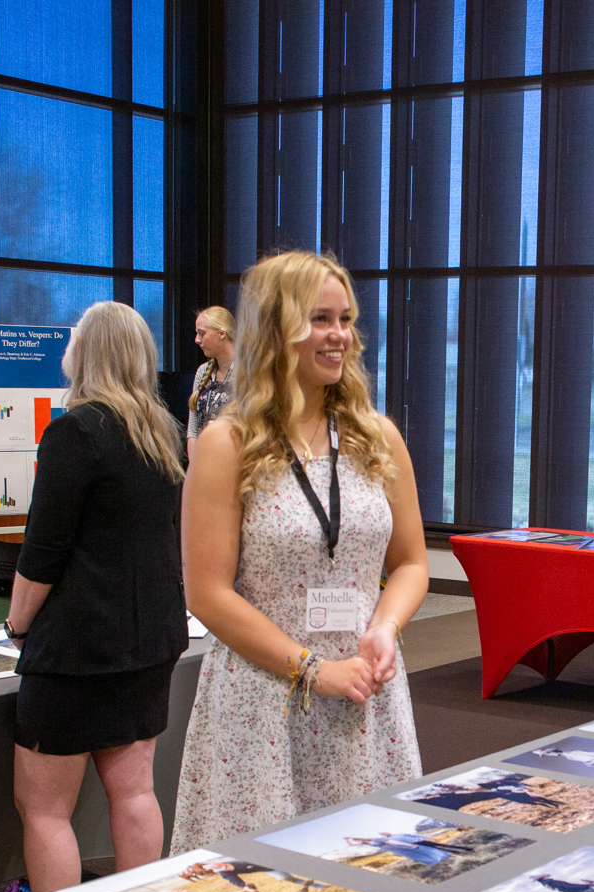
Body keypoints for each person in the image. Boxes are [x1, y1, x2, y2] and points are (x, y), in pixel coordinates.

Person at [170, 249, 426, 850]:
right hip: (265, 700)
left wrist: (386, 627)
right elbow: (206, 592)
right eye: (320, 319)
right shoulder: (225, 444)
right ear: (275, 329)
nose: (339, 336)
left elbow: (411, 561)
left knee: (371, 883)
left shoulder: (375, 436)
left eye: (345, 320)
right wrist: (312, 670)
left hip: (366, 696)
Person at [4, 301, 189, 892]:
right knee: (134, 793)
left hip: (76, 648)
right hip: (148, 641)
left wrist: (18, 622)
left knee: (44, 808)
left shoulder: (75, 429)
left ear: (91, 353)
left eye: (74, 337)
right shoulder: (161, 432)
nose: (67, 344)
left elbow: (43, 551)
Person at [187, 306, 236, 444]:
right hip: (203, 456)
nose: (197, 339)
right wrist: (195, 462)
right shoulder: (203, 371)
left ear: (221, 334)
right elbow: (193, 429)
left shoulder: (246, 372)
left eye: (202, 333)